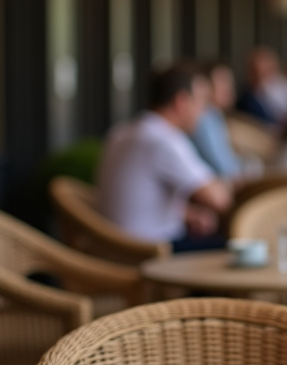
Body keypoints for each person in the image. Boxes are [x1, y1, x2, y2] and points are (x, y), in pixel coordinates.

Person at [97, 61, 232, 251]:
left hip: (115, 248)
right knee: (238, 247)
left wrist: (187, 215)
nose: (203, 113)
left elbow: (139, 200)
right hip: (152, 253)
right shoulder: (165, 140)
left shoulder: (121, 132)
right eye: (202, 102)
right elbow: (219, 199)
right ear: (181, 102)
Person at [189, 61, 243, 181]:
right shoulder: (204, 119)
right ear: (205, 87)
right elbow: (225, 170)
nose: (229, 88)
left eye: (230, 82)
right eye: (222, 83)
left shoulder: (215, 115)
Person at [236, 46, 287, 126]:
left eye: (268, 71)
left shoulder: (282, 87)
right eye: (258, 73)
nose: (263, 78)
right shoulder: (247, 100)